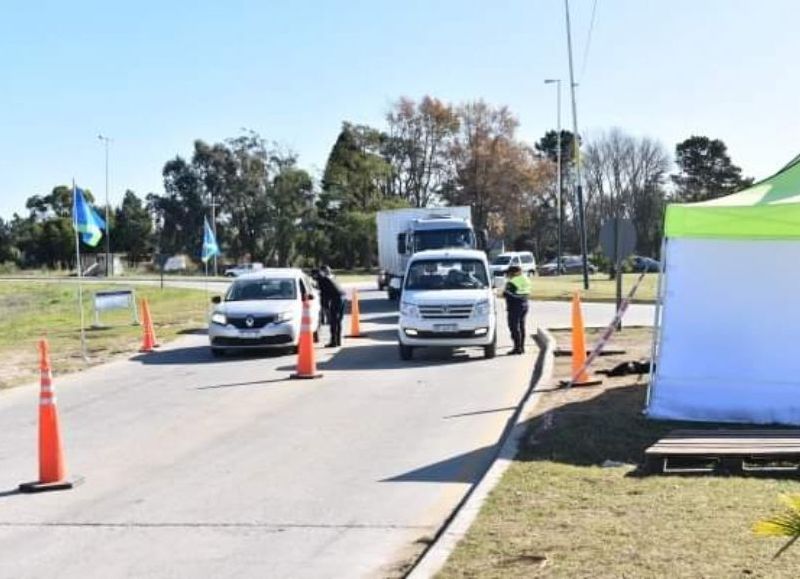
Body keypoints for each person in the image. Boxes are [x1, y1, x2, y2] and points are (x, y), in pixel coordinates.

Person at [503, 265, 531, 355]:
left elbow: (505, 294)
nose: (507, 275)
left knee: (514, 327)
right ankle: (521, 347)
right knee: (522, 326)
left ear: (515, 273)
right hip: (524, 305)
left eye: (509, 273)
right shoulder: (526, 280)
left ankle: (517, 347)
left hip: (514, 307)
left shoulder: (512, 282)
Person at [316, 265, 346, 347]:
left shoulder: (324, 280)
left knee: (333, 320)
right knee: (338, 320)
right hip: (342, 297)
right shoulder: (333, 277)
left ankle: (333, 342)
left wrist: (324, 307)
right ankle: (338, 340)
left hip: (337, 299)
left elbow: (323, 294)